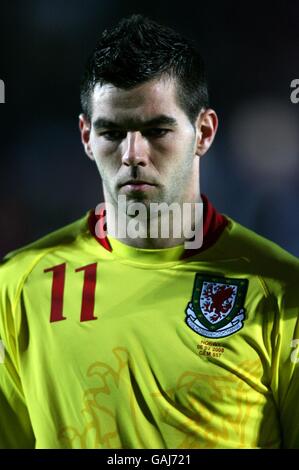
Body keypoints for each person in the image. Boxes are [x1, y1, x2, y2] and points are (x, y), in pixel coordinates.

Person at [0, 14, 298, 450]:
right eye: (112, 132)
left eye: (157, 130)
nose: (133, 154)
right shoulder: (17, 286)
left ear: (205, 133)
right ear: (86, 136)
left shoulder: (281, 292)